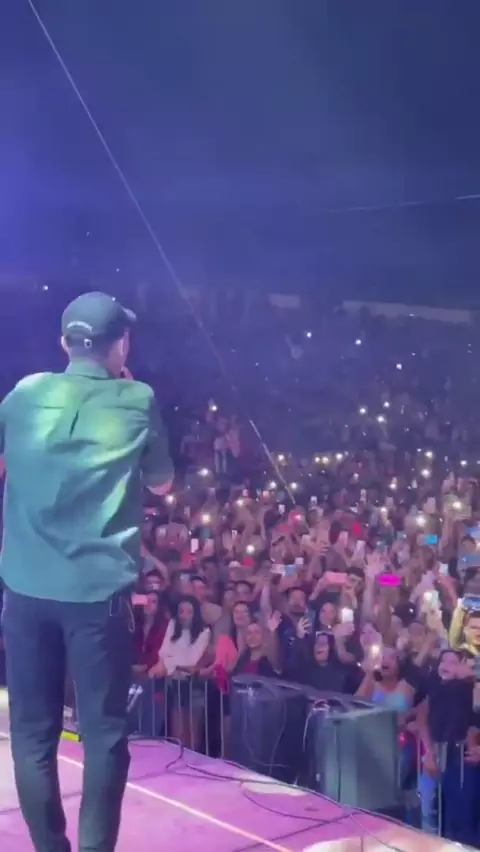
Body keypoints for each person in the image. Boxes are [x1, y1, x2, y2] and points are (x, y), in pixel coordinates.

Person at [0, 292, 173, 852]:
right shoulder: (138, 399)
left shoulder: (25, 392)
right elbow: (162, 483)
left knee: (32, 734)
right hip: (97, 598)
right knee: (102, 737)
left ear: (64, 343)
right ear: (121, 345)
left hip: (25, 590)